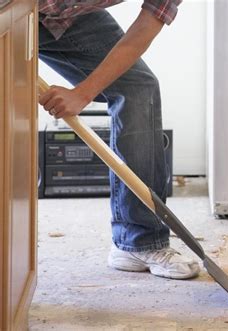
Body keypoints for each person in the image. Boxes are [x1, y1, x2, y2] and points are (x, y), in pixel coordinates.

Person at [38, 0, 200, 280]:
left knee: (138, 87)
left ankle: (139, 241)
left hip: (62, 17)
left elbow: (149, 22)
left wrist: (83, 93)